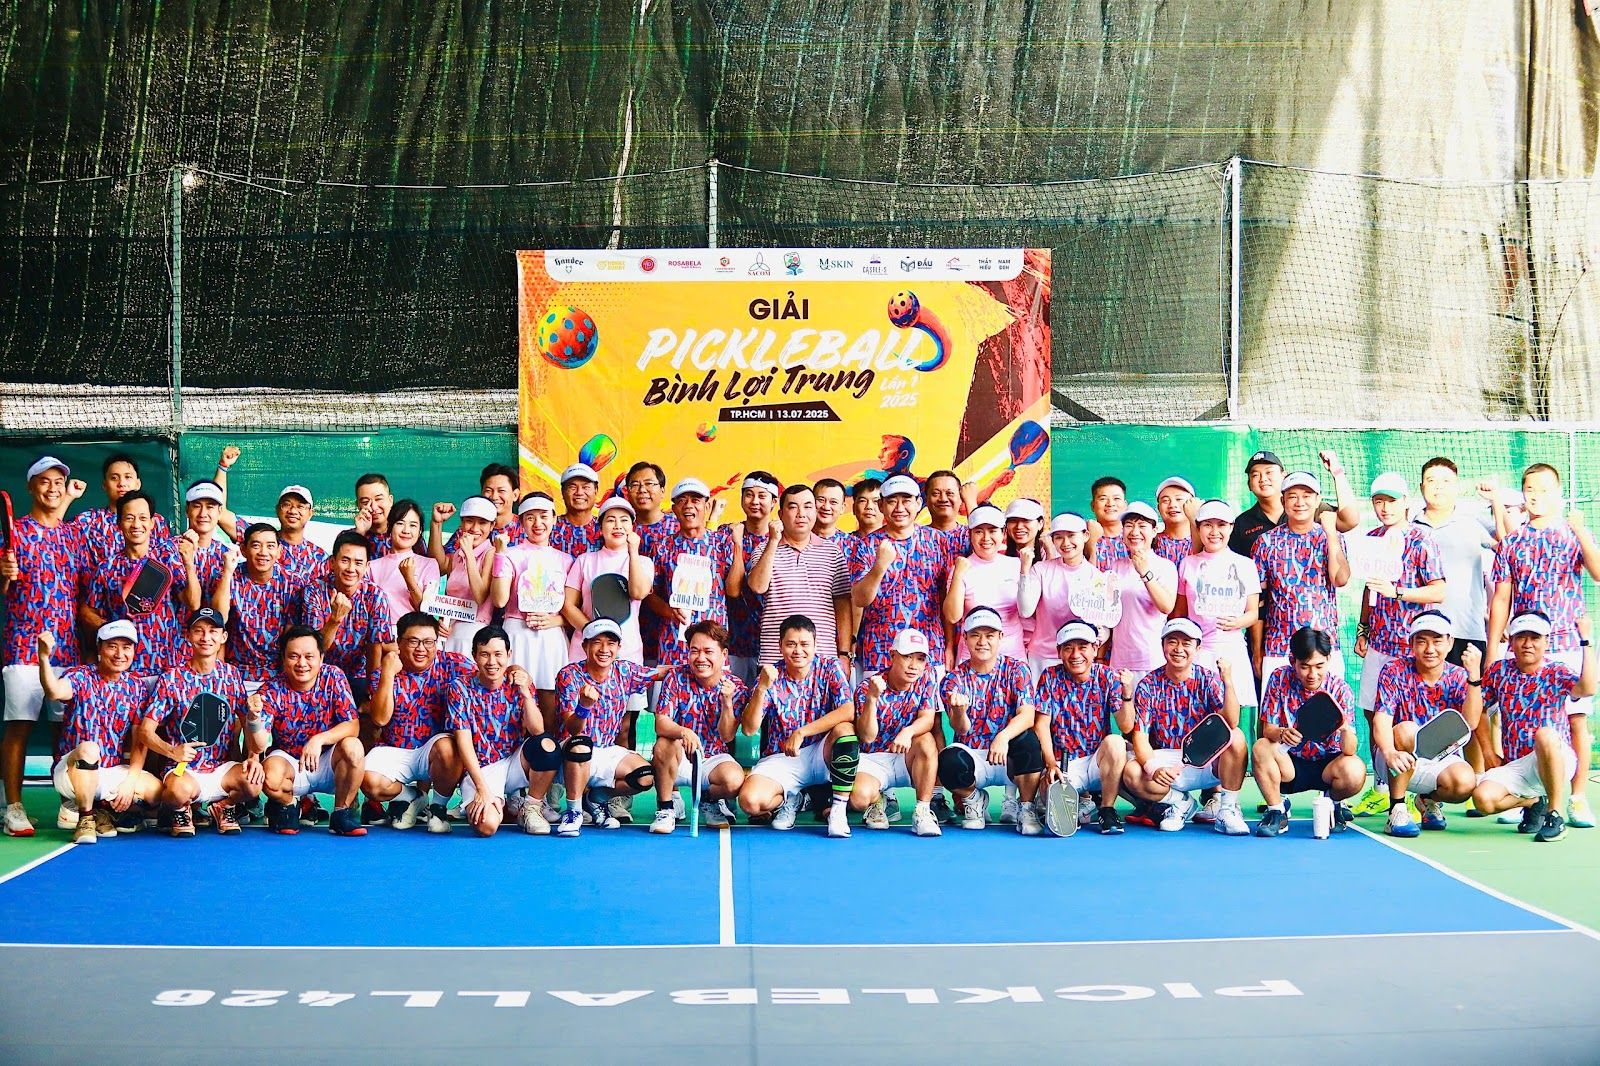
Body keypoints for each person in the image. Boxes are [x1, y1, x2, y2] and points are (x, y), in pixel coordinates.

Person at [1486, 463, 1599, 830]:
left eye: (1544, 489)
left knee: (1575, 720)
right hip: (1524, 643)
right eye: (1530, 489)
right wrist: (1493, 648)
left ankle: (1576, 797)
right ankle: (1528, 796)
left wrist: (1581, 530)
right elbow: (1501, 598)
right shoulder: (1513, 541)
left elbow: (1598, 572)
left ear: (1558, 493)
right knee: (1513, 716)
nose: (1536, 496)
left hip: (1567, 643)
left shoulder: (1572, 533)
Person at [1, 455, 90, 836]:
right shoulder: (16, 533)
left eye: (58, 482)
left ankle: (68, 802)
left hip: (67, 651)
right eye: (44, 481)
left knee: (64, 733)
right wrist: (4, 575)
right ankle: (14, 808)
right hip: (23, 648)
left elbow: (83, 589)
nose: (52, 488)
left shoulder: (73, 535)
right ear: (30, 486)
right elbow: (3, 588)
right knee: (19, 727)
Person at [141, 607, 269, 836]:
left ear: (223, 637)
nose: (206, 637)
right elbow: (145, 732)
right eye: (199, 630)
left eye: (213, 631)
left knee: (254, 783)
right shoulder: (171, 678)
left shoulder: (232, 676)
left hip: (222, 768)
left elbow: (248, 724)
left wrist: (253, 757)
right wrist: (172, 751)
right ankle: (181, 809)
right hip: (184, 769)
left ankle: (223, 807)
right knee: (176, 792)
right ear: (188, 636)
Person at [1471, 612, 1597, 843]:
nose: (1528, 644)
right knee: (1483, 799)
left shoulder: (1557, 671)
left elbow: (1587, 689)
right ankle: (1533, 802)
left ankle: (1554, 816)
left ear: (1546, 642)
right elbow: (1478, 710)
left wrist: (1586, 641)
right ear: (1511, 641)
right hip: (1518, 765)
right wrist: (1488, 753)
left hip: (1556, 758)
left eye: (1535, 637)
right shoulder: (1498, 671)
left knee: (1545, 735)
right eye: (1521, 637)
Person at [35, 623, 161, 845]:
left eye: (126, 647)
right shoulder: (79, 676)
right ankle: (85, 818)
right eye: (112, 646)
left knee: (157, 791)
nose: (120, 654)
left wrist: (129, 782)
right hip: (71, 770)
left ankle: (104, 811)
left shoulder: (137, 687)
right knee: (89, 749)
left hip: (109, 770)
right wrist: (44, 658)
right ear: (100, 649)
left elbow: (139, 741)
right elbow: (54, 692)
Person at [1122, 618, 1249, 834]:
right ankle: (1180, 803)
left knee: (1236, 736)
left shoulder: (1208, 679)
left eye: (1186, 643)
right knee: (1131, 772)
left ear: (1197, 648)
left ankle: (1227, 810)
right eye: (1172, 641)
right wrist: (1154, 769)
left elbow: (1231, 722)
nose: (1178, 649)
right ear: (1163, 645)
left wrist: (1227, 681)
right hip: (1167, 761)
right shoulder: (1148, 685)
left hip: (1207, 761)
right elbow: (1140, 736)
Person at [737, 614, 859, 836]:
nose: (798, 650)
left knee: (845, 730)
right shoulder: (771, 675)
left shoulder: (830, 666)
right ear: (780, 646)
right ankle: (794, 798)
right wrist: (761, 688)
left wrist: (802, 732)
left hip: (821, 753)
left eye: (804, 644)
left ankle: (838, 812)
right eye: (791, 644)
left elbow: (848, 710)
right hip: (783, 756)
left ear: (815, 645)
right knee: (750, 802)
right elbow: (749, 729)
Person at [1369, 611, 1482, 837]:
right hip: (1395, 758)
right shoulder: (1394, 671)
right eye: (1421, 641)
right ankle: (1397, 809)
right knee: (1407, 730)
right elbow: (1382, 718)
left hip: (1439, 758)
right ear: (1411, 644)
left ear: (1450, 643)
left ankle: (1428, 800)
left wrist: (1474, 677)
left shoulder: (1459, 676)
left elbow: (1470, 723)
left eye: (1437, 641)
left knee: (1465, 783)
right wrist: (1389, 752)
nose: (1430, 649)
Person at [551, 619, 665, 837]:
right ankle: (574, 812)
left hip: (606, 750)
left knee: (645, 776)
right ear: (585, 646)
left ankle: (595, 799)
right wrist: (584, 707)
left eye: (611, 643)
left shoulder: (625, 670)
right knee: (581, 744)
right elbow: (573, 729)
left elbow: (660, 673)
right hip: (570, 752)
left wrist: (700, 666)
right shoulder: (568, 675)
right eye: (597, 642)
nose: (604, 649)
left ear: (619, 647)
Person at [364, 612, 474, 831]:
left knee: (449, 746)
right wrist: (388, 673)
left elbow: (488, 678)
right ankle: (414, 797)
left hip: (433, 751)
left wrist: (515, 671)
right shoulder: (384, 671)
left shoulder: (453, 664)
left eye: (428, 642)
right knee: (368, 781)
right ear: (399, 642)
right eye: (413, 641)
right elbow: (380, 718)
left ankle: (438, 809)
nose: (421, 648)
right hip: (396, 748)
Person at [1251, 626, 1364, 836]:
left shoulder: (1341, 690)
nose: (1312, 674)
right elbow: (1268, 729)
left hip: (1328, 766)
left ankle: (1332, 803)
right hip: (1290, 764)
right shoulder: (1279, 678)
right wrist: (1282, 733)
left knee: (1355, 770)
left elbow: (1350, 750)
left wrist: (1344, 728)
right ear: (1292, 660)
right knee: (1261, 747)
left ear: (1329, 659)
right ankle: (1277, 811)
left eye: (1319, 666)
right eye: (1304, 666)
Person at [938, 608, 1043, 833]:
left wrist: (1002, 737)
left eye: (989, 635)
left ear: (1000, 637)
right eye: (975, 635)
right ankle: (974, 799)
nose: (982, 642)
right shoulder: (952, 680)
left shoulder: (1018, 670)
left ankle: (1026, 807)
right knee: (947, 760)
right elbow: (961, 729)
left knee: (1030, 741)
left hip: (1009, 755)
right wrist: (959, 712)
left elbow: (1027, 715)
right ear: (965, 638)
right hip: (974, 756)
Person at [258, 626, 368, 836]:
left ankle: (342, 813)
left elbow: (352, 725)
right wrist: (254, 720)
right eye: (294, 656)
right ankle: (289, 804)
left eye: (309, 656)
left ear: (321, 658)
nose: (302, 663)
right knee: (269, 775)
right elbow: (260, 740)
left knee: (353, 746)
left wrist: (319, 740)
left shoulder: (334, 676)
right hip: (291, 762)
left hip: (328, 761)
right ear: (283, 659)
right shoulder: (271, 689)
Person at [448, 625, 555, 837]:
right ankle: (503, 805)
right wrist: (482, 788)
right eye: (484, 655)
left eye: (498, 654)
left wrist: (525, 693)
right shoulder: (460, 687)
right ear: (474, 656)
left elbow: (537, 730)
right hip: (481, 769)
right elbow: (463, 742)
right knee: (486, 826)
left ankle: (531, 807)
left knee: (547, 745)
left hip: (514, 762)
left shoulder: (519, 681)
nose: (492, 662)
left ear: (508, 655)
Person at [81, 490, 200, 679]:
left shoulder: (167, 559)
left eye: (143, 518)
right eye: (129, 518)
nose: (136, 524)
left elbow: (193, 603)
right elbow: (87, 611)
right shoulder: (107, 567)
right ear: (119, 523)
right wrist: (109, 628)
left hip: (167, 671)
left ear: (152, 523)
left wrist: (189, 564)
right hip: (124, 673)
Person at [1031, 620, 1134, 835]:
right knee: (1049, 795)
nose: (1075, 654)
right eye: (1068, 648)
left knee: (1116, 742)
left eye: (1082, 647)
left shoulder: (1107, 676)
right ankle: (1081, 803)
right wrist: (1050, 763)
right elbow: (1041, 725)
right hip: (1064, 764)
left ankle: (1107, 809)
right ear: (1059, 652)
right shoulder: (1050, 677)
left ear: (1095, 649)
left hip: (1098, 761)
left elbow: (1125, 725)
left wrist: (1127, 694)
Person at [852, 475, 957, 677]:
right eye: (892, 501)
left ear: (918, 503)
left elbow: (946, 597)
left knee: (929, 699)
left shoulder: (938, 541)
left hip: (929, 649)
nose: (899, 508)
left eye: (906, 500)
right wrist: (879, 566)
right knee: (876, 697)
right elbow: (859, 599)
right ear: (881, 506)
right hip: (880, 650)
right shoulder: (866, 545)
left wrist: (950, 645)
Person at [649, 621, 748, 833]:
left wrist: (727, 703)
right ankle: (666, 808)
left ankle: (708, 800)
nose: (700, 658)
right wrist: (683, 731)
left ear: (724, 655)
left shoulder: (736, 687)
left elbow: (727, 736)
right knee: (664, 743)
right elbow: (661, 723)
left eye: (708, 651)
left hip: (713, 758)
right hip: (679, 757)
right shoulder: (675, 677)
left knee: (734, 781)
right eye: (694, 651)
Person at [1251, 472, 1350, 682]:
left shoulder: (1332, 537)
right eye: (1293, 496)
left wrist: (1331, 534)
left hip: (1324, 646)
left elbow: (1340, 579)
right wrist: (1257, 650)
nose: (1300, 502)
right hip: (1279, 647)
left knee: (1327, 703)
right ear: (1283, 501)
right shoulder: (1265, 543)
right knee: (1276, 703)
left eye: (1306, 496)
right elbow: (1258, 600)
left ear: (1317, 500)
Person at [745, 483, 851, 672]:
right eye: (793, 507)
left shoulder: (833, 552)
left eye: (808, 506)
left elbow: (842, 606)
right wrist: (773, 541)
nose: (801, 514)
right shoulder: (764, 549)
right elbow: (757, 586)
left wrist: (844, 654)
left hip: (822, 659)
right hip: (775, 658)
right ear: (780, 514)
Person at [850, 629, 942, 836]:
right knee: (858, 799)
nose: (914, 665)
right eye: (907, 657)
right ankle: (878, 801)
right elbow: (867, 737)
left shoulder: (927, 677)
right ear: (892, 655)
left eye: (920, 659)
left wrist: (908, 732)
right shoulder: (867, 687)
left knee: (927, 741)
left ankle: (922, 811)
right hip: (873, 759)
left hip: (906, 756)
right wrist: (872, 699)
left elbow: (927, 719)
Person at [1412, 457, 1499, 667]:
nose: (1438, 487)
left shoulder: (1472, 520)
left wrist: (1496, 500)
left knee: (1472, 688)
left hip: (1467, 632)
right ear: (1422, 487)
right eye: (1431, 480)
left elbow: (1509, 544)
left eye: (1446, 481)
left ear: (1456, 486)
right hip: (1423, 634)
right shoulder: (1411, 527)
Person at [644, 478, 741, 666]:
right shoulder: (662, 547)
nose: (688, 505)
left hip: (714, 642)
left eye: (695, 500)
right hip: (673, 642)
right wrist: (668, 611)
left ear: (707, 506)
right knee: (672, 684)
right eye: (682, 500)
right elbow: (649, 593)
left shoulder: (722, 543)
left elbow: (734, 590)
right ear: (674, 509)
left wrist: (737, 546)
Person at [1175, 499, 1261, 707]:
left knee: (1233, 713)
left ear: (1231, 528)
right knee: (1196, 710)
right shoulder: (1187, 564)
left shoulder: (1246, 565)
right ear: (1198, 528)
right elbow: (1180, 614)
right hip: (1197, 653)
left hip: (1233, 651)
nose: (1214, 532)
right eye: (1207, 525)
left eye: (1221, 525)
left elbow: (1253, 613)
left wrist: (1238, 622)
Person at [495, 493, 572, 718]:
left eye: (544, 516)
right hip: (517, 633)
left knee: (551, 700)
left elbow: (573, 607)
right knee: (514, 699)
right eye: (530, 517)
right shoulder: (510, 554)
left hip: (551, 637)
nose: (538, 523)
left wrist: (555, 620)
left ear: (554, 518)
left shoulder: (566, 560)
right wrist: (499, 555)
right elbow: (499, 600)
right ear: (521, 521)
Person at [562, 496, 654, 664]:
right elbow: (568, 606)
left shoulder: (644, 562)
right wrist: (594, 633)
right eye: (611, 520)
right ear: (600, 528)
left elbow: (638, 593)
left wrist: (633, 552)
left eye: (624, 520)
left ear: (632, 527)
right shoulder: (585, 560)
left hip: (627, 650)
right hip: (586, 648)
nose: (618, 525)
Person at [302, 530, 393, 697]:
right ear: (332, 562)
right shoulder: (314, 591)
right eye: (345, 560)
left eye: (358, 563)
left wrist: (370, 693)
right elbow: (313, 649)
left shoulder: (375, 595)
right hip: (319, 670)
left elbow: (374, 648)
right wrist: (334, 620)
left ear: (367, 566)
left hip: (358, 674)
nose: (351, 569)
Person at [212, 523, 304, 687]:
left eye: (270, 546)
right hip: (236, 673)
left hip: (277, 676)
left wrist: (285, 681)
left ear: (279, 551)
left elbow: (291, 637)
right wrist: (227, 572)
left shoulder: (292, 583)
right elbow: (218, 619)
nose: (263, 552)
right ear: (243, 550)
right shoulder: (230, 577)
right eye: (256, 545)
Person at [944, 504, 1027, 664]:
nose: (986, 538)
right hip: (972, 657)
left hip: (1012, 655)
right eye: (979, 531)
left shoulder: (1016, 565)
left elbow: (1029, 612)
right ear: (970, 534)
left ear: (1003, 533)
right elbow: (953, 617)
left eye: (992, 530)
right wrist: (958, 574)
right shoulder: (961, 568)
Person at [1019, 513, 1099, 677]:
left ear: (1085, 536)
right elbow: (1025, 610)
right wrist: (1024, 571)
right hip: (1042, 656)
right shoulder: (1041, 570)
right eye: (1059, 537)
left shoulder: (1097, 577)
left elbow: (1102, 623)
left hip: (1078, 659)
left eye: (1071, 535)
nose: (1066, 543)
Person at [427, 497, 510, 655]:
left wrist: (469, 554)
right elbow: (437, 565)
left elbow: (480, 596)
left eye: (483, 523)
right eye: (469, 521)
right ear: (462, 523)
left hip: (475, 634)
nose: (475, 528)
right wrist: (436, 524)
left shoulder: (491, 553)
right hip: (449, 633)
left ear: (492, 525)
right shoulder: (458, 554)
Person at [1106, 502, 1178, 675]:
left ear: (1154, 531)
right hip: (1119, 660)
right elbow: (1107, 611)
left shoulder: (1165, 566)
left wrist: (1145, 573)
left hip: (1151, 659)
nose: (1135, 532)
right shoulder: (1115, 566)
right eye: (1129, 525)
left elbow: (1166, 607)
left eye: (1142, 526)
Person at [726, 472, 780, 684]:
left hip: (772, 642)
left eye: (762, 496)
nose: (755, 501)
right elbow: (733, 590)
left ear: (774, 502)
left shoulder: (783, 538)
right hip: (734, 639)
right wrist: (737, 544)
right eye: (749, 495)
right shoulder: (726, 535)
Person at [74, 452, 172, 568]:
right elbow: (58, 535)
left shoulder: (156, 521)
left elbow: (166, 560)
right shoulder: (88, 522)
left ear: (138, 484)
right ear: (105, 485)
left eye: (128, 477)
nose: (121, 483)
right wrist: (69, 496)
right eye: (114, 478)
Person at [367, 499, 440, 631]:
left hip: (415, 636)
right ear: (389, 527)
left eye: (413, 525)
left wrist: (409, 579)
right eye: (400, 523)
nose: (406, 530)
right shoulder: (372, 567)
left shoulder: (430, 564)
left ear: (420, 531)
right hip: (381, 634)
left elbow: (428, 611)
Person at [180, 480, 232, 604]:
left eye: (210, 507)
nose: (203, 514)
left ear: (220, 512)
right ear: (187, 510)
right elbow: (192, 604)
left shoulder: (226, 555)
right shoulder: (169, 550)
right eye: (197, 506)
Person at [272, 485, 327, 583]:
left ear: (310, 513)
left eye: (300, 506)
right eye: (287, 504)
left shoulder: (319, 557)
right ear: (277, 509)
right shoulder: (262, 544)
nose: (293, 511)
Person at [551, 462, 601, 557]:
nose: (579, 492)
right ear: (562, 491)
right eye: (572, 487)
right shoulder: (549, 527)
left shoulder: (604, 529)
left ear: (596, 490)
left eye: (586, 487)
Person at [1152, 476, 1197, 566]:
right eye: (1165, 500)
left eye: (1179, 499)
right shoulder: (1150, 542)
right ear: (1158, 508)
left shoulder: (1206, 542)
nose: (1172, 505)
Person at [922, 469, 968, 555]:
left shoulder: (970, 535)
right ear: (926, 499)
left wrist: (970, 502)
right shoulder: (916, 537)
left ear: (960, 499)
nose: (943, 499)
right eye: (936, 493)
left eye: (949, 493)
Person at [352, 473, 396, 558]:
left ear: (390, 500)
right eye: (365, 502)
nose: (373, 507)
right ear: (358, 505)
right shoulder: (346, 537)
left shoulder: (405, 536)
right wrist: (360, 534)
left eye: (378, 499)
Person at [812, 478, 849, 543]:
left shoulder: (854, 545)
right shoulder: (796, 539)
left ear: (842, 508)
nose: (826, 507)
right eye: (821, 500)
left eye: (833, 502)